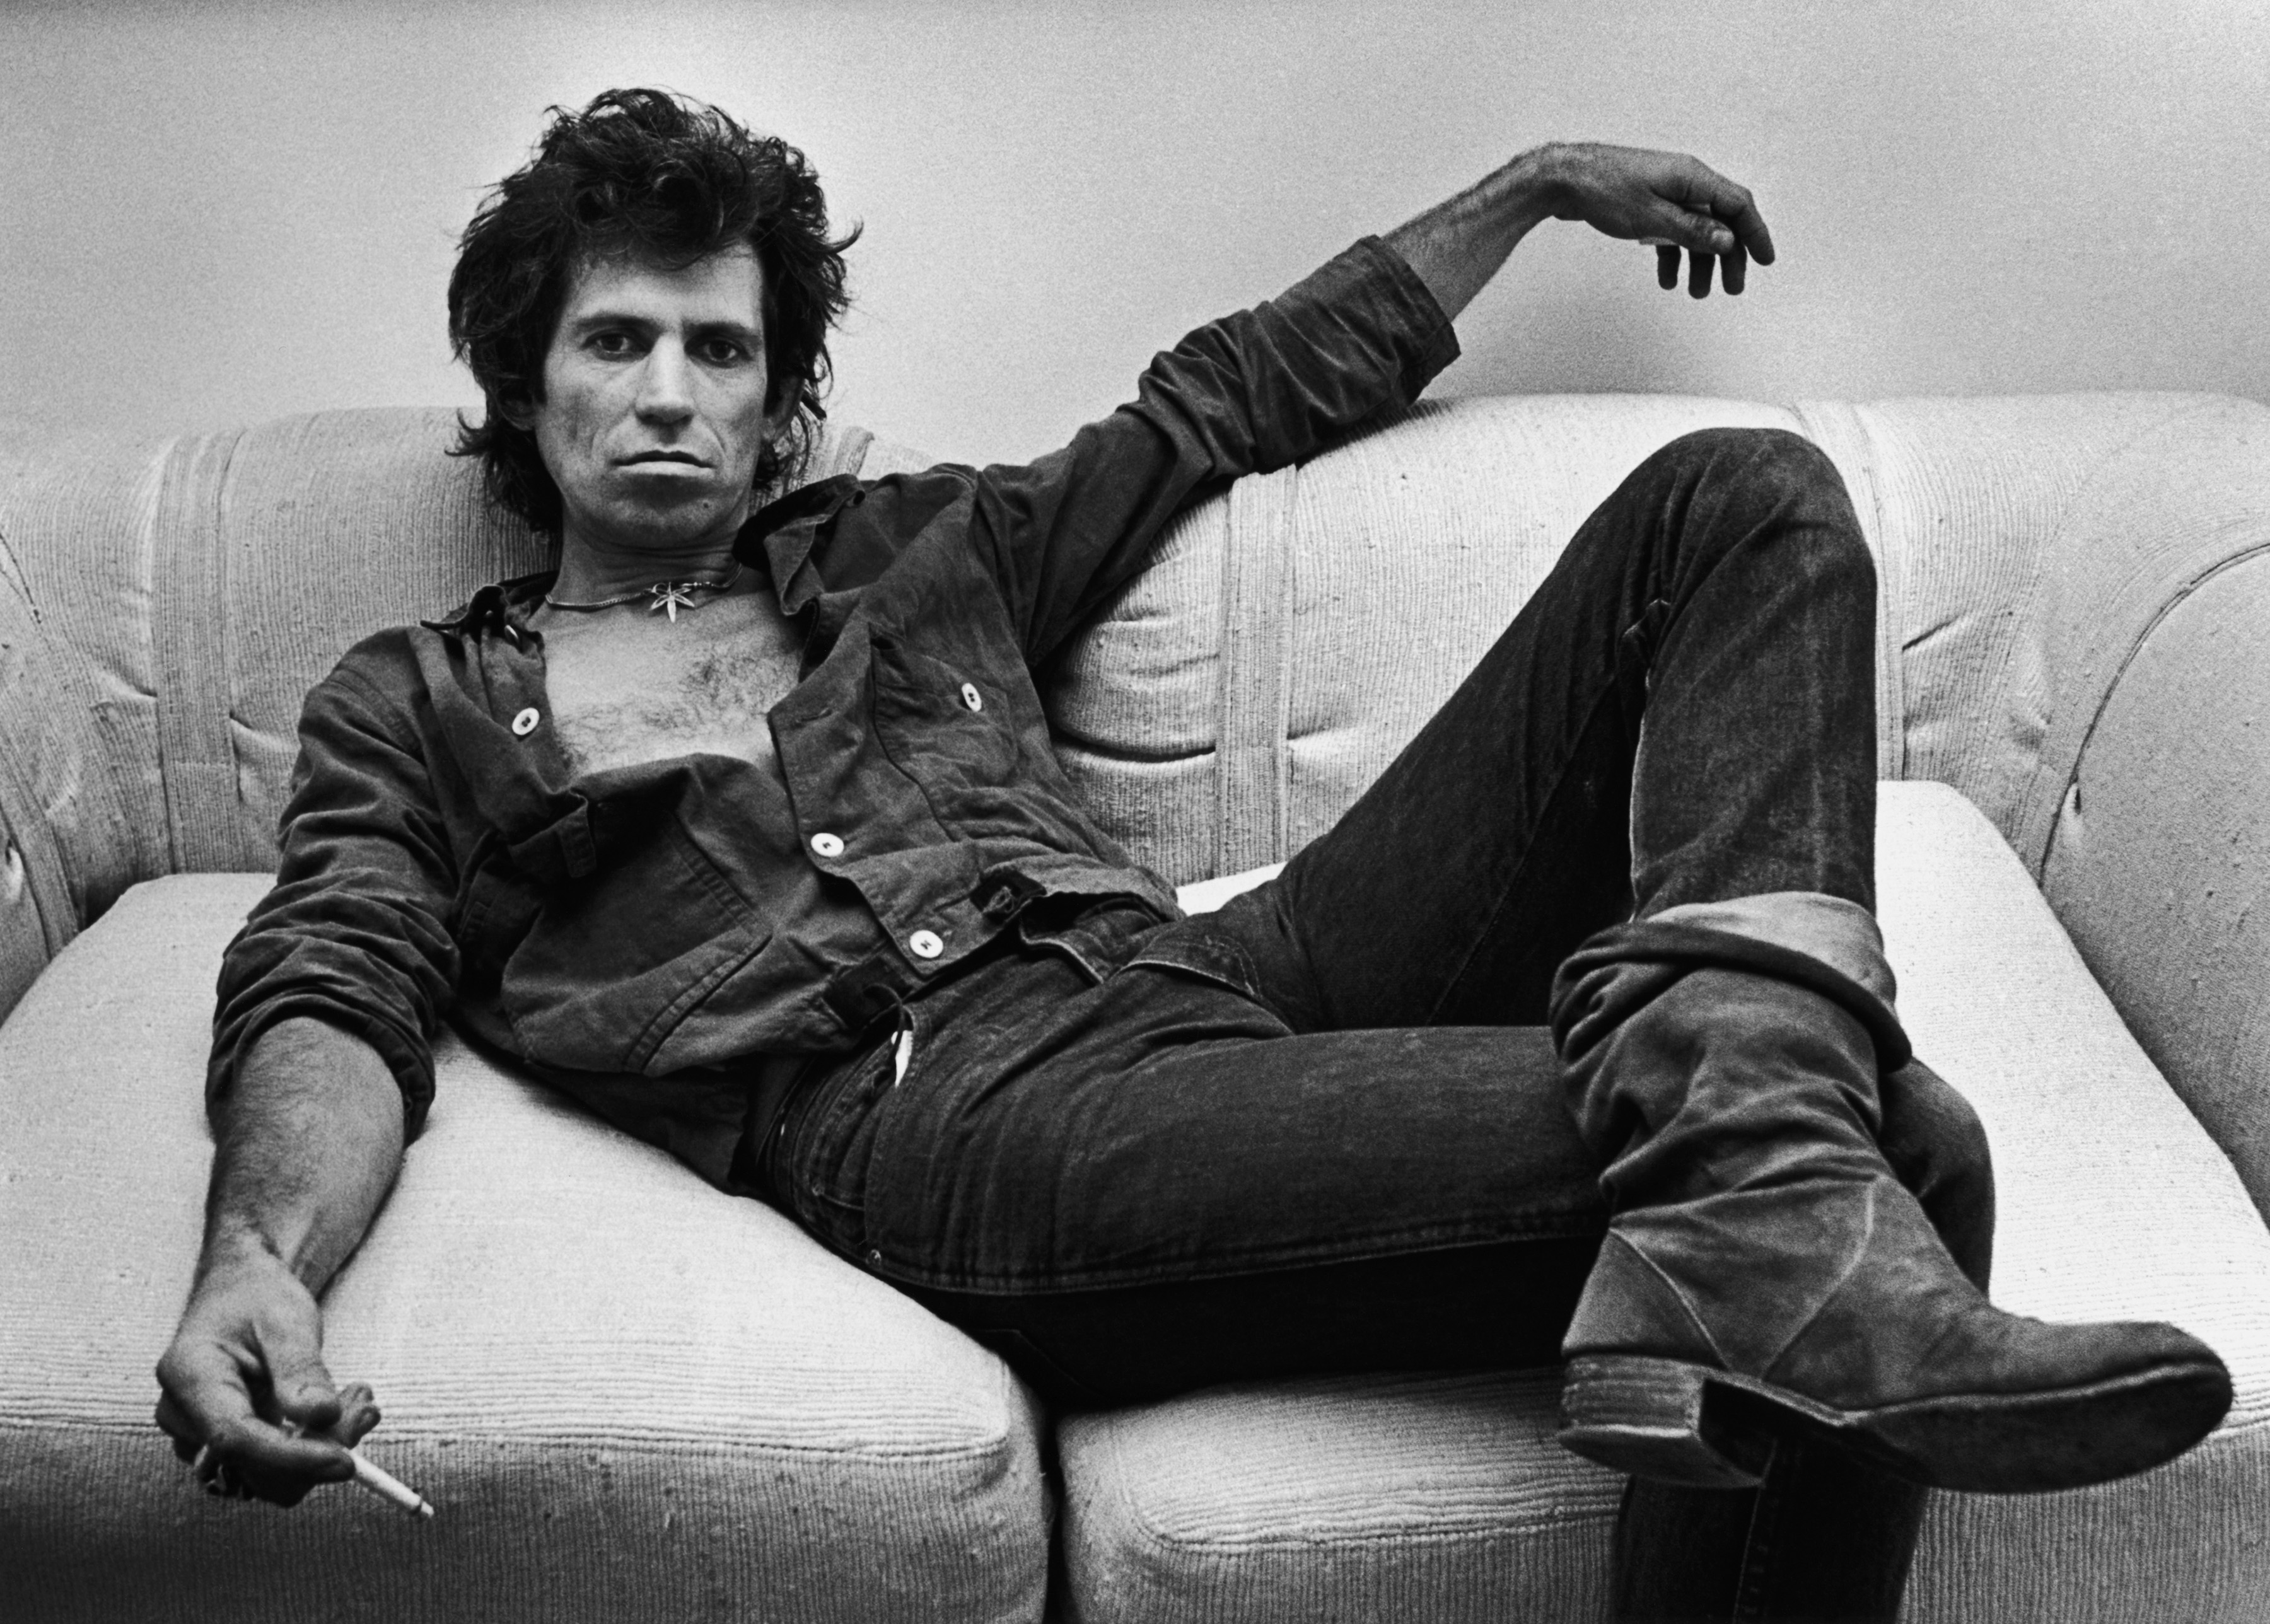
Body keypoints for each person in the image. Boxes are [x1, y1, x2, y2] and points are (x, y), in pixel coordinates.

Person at [153, 88, 2230, 1621]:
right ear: (526, 386)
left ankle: (1760, 1192)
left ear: (780, 402)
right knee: (1906, 1148)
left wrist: (1528, 188)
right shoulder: (422, 698)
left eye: (723, 351)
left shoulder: (911, 549)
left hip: (1218, 972)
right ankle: (1776, 1199)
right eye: (620, 343)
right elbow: (336, 975)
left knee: (1743, 497)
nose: (672, 396)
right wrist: (257, 1263)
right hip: (964, 1114)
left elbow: (1221, 403)